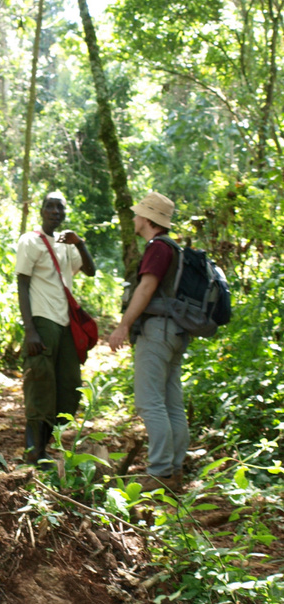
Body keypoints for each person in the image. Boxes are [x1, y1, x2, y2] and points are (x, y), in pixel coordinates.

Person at [108, 192, 189, 493]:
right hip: (175, 332)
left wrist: (123, 326)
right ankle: (174, 470)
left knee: (150, 402)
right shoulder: (174, 248)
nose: (134, 218)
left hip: (157, 332)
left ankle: (159, 473)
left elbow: (146, 287)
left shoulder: (157, 248)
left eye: (138, 213)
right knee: (171, 404)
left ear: (148, 218)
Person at [16, 191, 96, 464]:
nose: (55, 212)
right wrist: (30, 330)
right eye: (50, 206)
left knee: (68, 388)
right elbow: (22, 283)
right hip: (42, 321)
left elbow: (91, 270)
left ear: (64, 213)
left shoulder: (67, 245)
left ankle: (44, 447)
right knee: (40, 386)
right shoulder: (30, 241)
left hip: (65, 325)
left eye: (60, 208)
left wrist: (80, 243)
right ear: (41, 210)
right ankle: (33, 454)